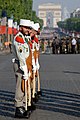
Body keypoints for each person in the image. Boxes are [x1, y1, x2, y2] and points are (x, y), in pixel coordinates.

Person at [12, 19, 33, 118]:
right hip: (21, 64)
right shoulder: (19, 38)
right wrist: (24, 68)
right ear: (21, 27)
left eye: (29, 28)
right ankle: (18, 107)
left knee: (24, 85)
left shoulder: (24, 38)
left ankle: (23, 105)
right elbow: (21, 55)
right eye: (26, 28)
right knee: (20, 86)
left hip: (24, 64)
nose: (28, 30)